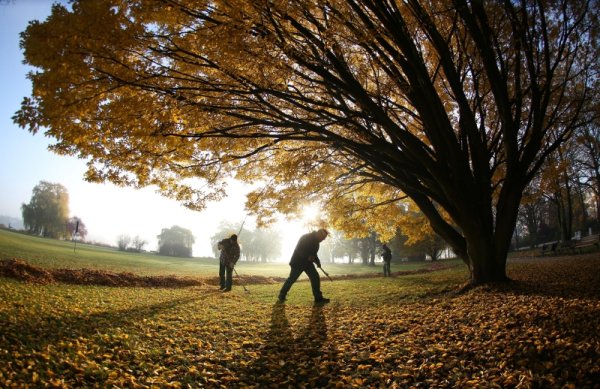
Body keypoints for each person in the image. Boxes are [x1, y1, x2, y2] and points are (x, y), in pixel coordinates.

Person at [278, 228, 330, 305]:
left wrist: (317, 262)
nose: (323, 240)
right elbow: (299, 249)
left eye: (324, 238)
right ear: (319, 234)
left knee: (315, 277)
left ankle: (318, 298)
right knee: (292, 279)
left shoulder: (317, 244)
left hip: (307, 264)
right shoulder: (306, 237)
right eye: (323, 238)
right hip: (298, 262)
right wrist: (307, 256)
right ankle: (282, 295)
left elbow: (314, 254)